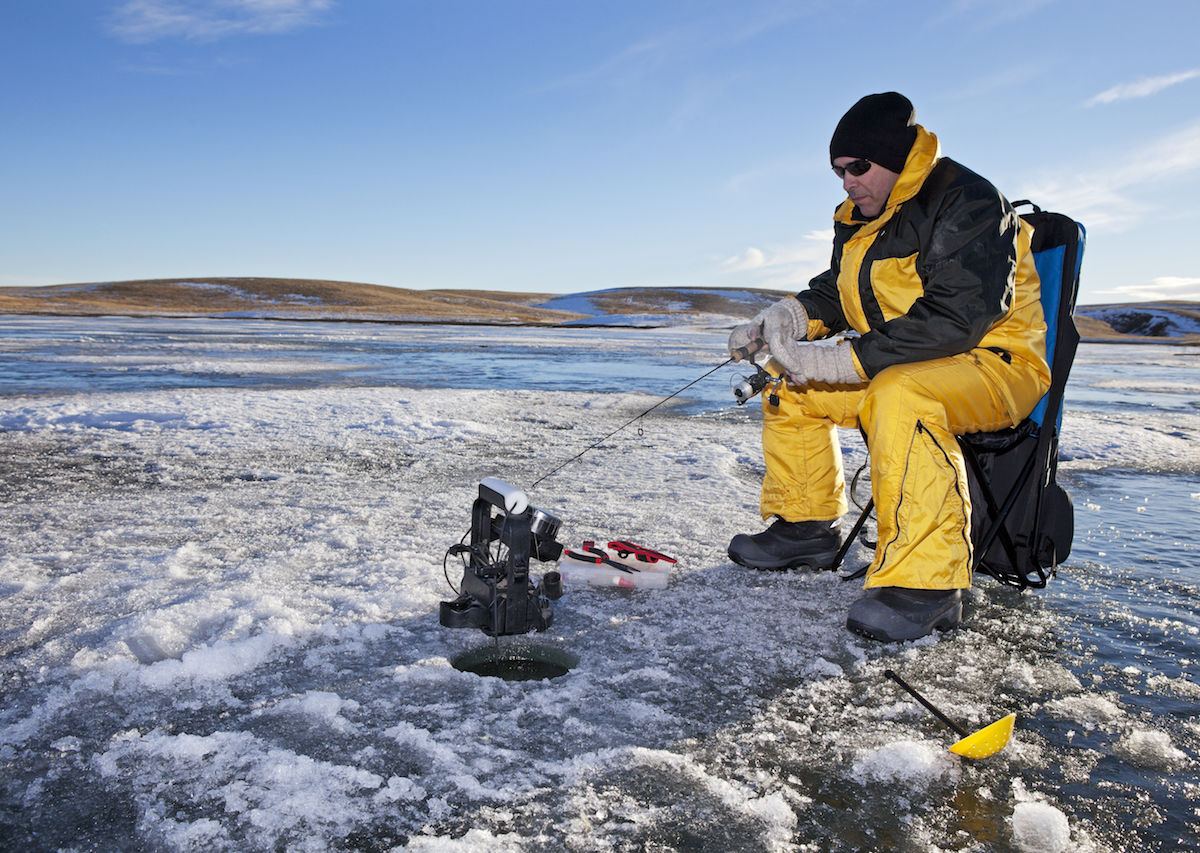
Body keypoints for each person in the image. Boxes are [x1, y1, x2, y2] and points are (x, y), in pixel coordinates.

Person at [726, 92, 1050, 642]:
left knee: (901, 394)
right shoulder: (859, 218)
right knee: (789, 384)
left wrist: (845, 359)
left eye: (858, 167)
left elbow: (957, 317)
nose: (847, 182)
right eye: (838, 172)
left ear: (896, 158)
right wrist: (784, 320)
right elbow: (839, 292)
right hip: (905, 361)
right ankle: (806, 526)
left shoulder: (966, 199)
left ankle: (927, 584)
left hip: (995, 365)